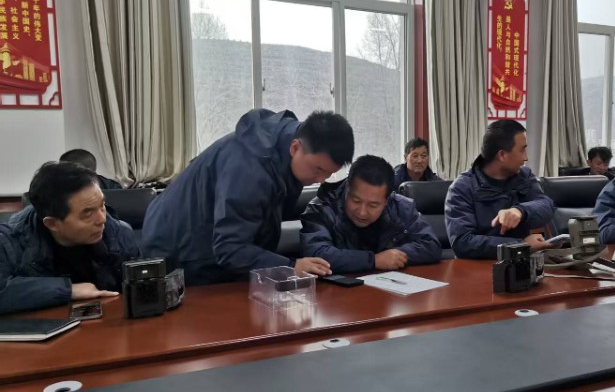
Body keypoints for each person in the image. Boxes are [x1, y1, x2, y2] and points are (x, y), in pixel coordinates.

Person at [141, 109, 354, 285]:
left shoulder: (289, 151)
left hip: (207, 244)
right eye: (318, 170)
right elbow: (229, 248)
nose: (320, 180)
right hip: (178, 251)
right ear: (295, 147)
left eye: (329, 173)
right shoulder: (250, 170)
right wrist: (291, 267)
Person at [0, 162, 140, 315]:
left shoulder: (119, 233)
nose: (102, 219)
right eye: (88, 213)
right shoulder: (9, 242)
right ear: (52, 223)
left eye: (102, 205)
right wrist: (69, 290)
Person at [300, 155, 442, 273]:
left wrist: (393, 257)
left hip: (386, 289)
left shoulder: (400, 206)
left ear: (387, 201)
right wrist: (374, 260)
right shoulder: (322, 207)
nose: (362, 212)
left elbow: (431, 245)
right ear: (347, 188)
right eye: (356, 201)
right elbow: (317, 254)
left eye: (373, 205)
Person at [445, 120, 554, 259]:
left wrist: (520, 211)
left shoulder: (524, 176)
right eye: (522, 150)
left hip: (520, 262)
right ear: (502, 155)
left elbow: (546, 205)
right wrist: (520, 245)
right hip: (478, 267)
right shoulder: (462, 188)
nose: (526, 157)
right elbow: (462, 243)